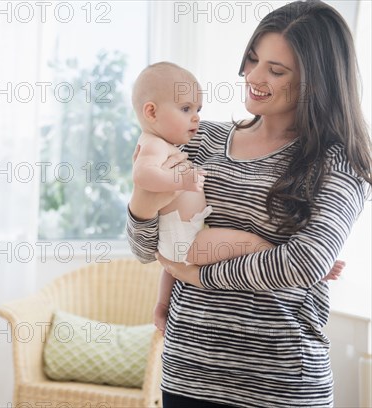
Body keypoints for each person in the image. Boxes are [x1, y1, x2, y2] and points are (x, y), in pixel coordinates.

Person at [126, 1, 371, 407]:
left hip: (280, 387)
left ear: (317, 81)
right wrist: (141, 198)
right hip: (189, 377)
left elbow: (303, 263)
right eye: (253, 60)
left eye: (276, 70)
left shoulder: (338, 161)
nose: (253, 77)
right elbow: (144, 249)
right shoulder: (199, 138)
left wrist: (198, 276)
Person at [131, 61, 344, 334]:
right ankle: (317, 273)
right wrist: (163, 192)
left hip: (182, 238)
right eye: (186, 109)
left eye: (197, 110)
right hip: (186, 239)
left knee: (175, 267)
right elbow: (142, 180)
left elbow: (169, 260)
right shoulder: (157, 144)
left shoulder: (336, 158)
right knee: (248, 243)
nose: (195, 117)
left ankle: (162, 305)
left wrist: (195, 277)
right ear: (151, 112)